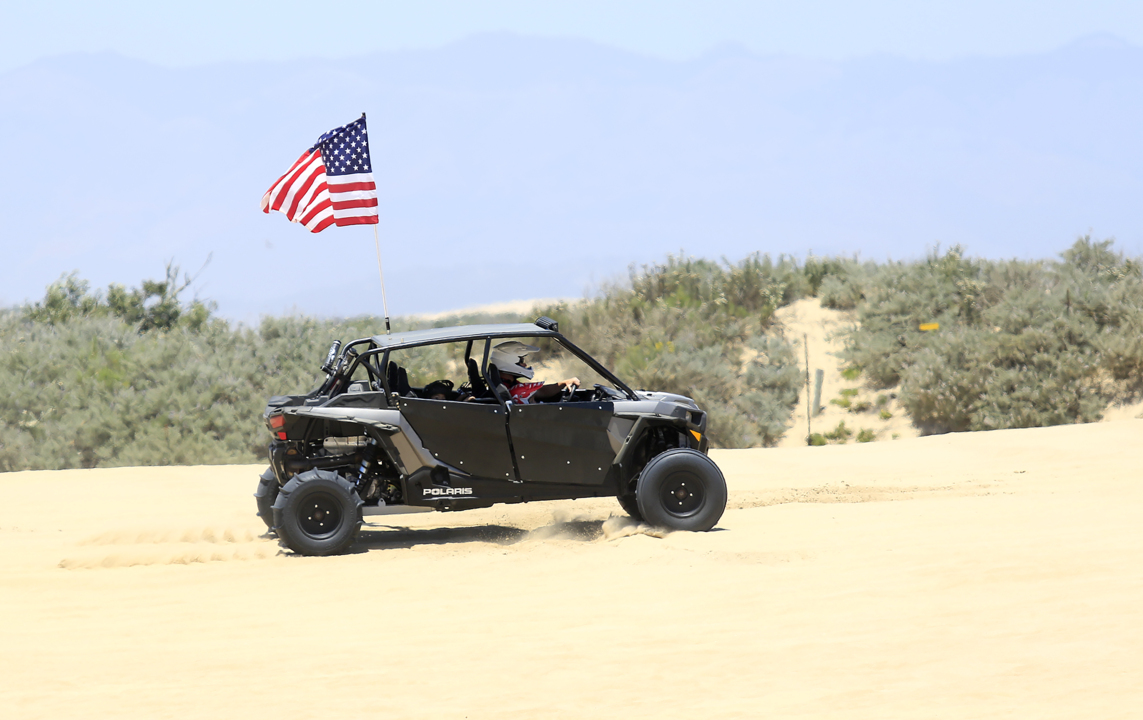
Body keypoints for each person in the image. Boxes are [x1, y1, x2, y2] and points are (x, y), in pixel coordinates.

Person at [489, 341, 580, 404]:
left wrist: (564, 383)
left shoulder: (506, 385)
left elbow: (541, 391)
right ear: (509, 361)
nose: (524, 365)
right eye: (521, 361)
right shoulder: (515, 390)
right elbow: (542, 391)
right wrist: (565, 382)